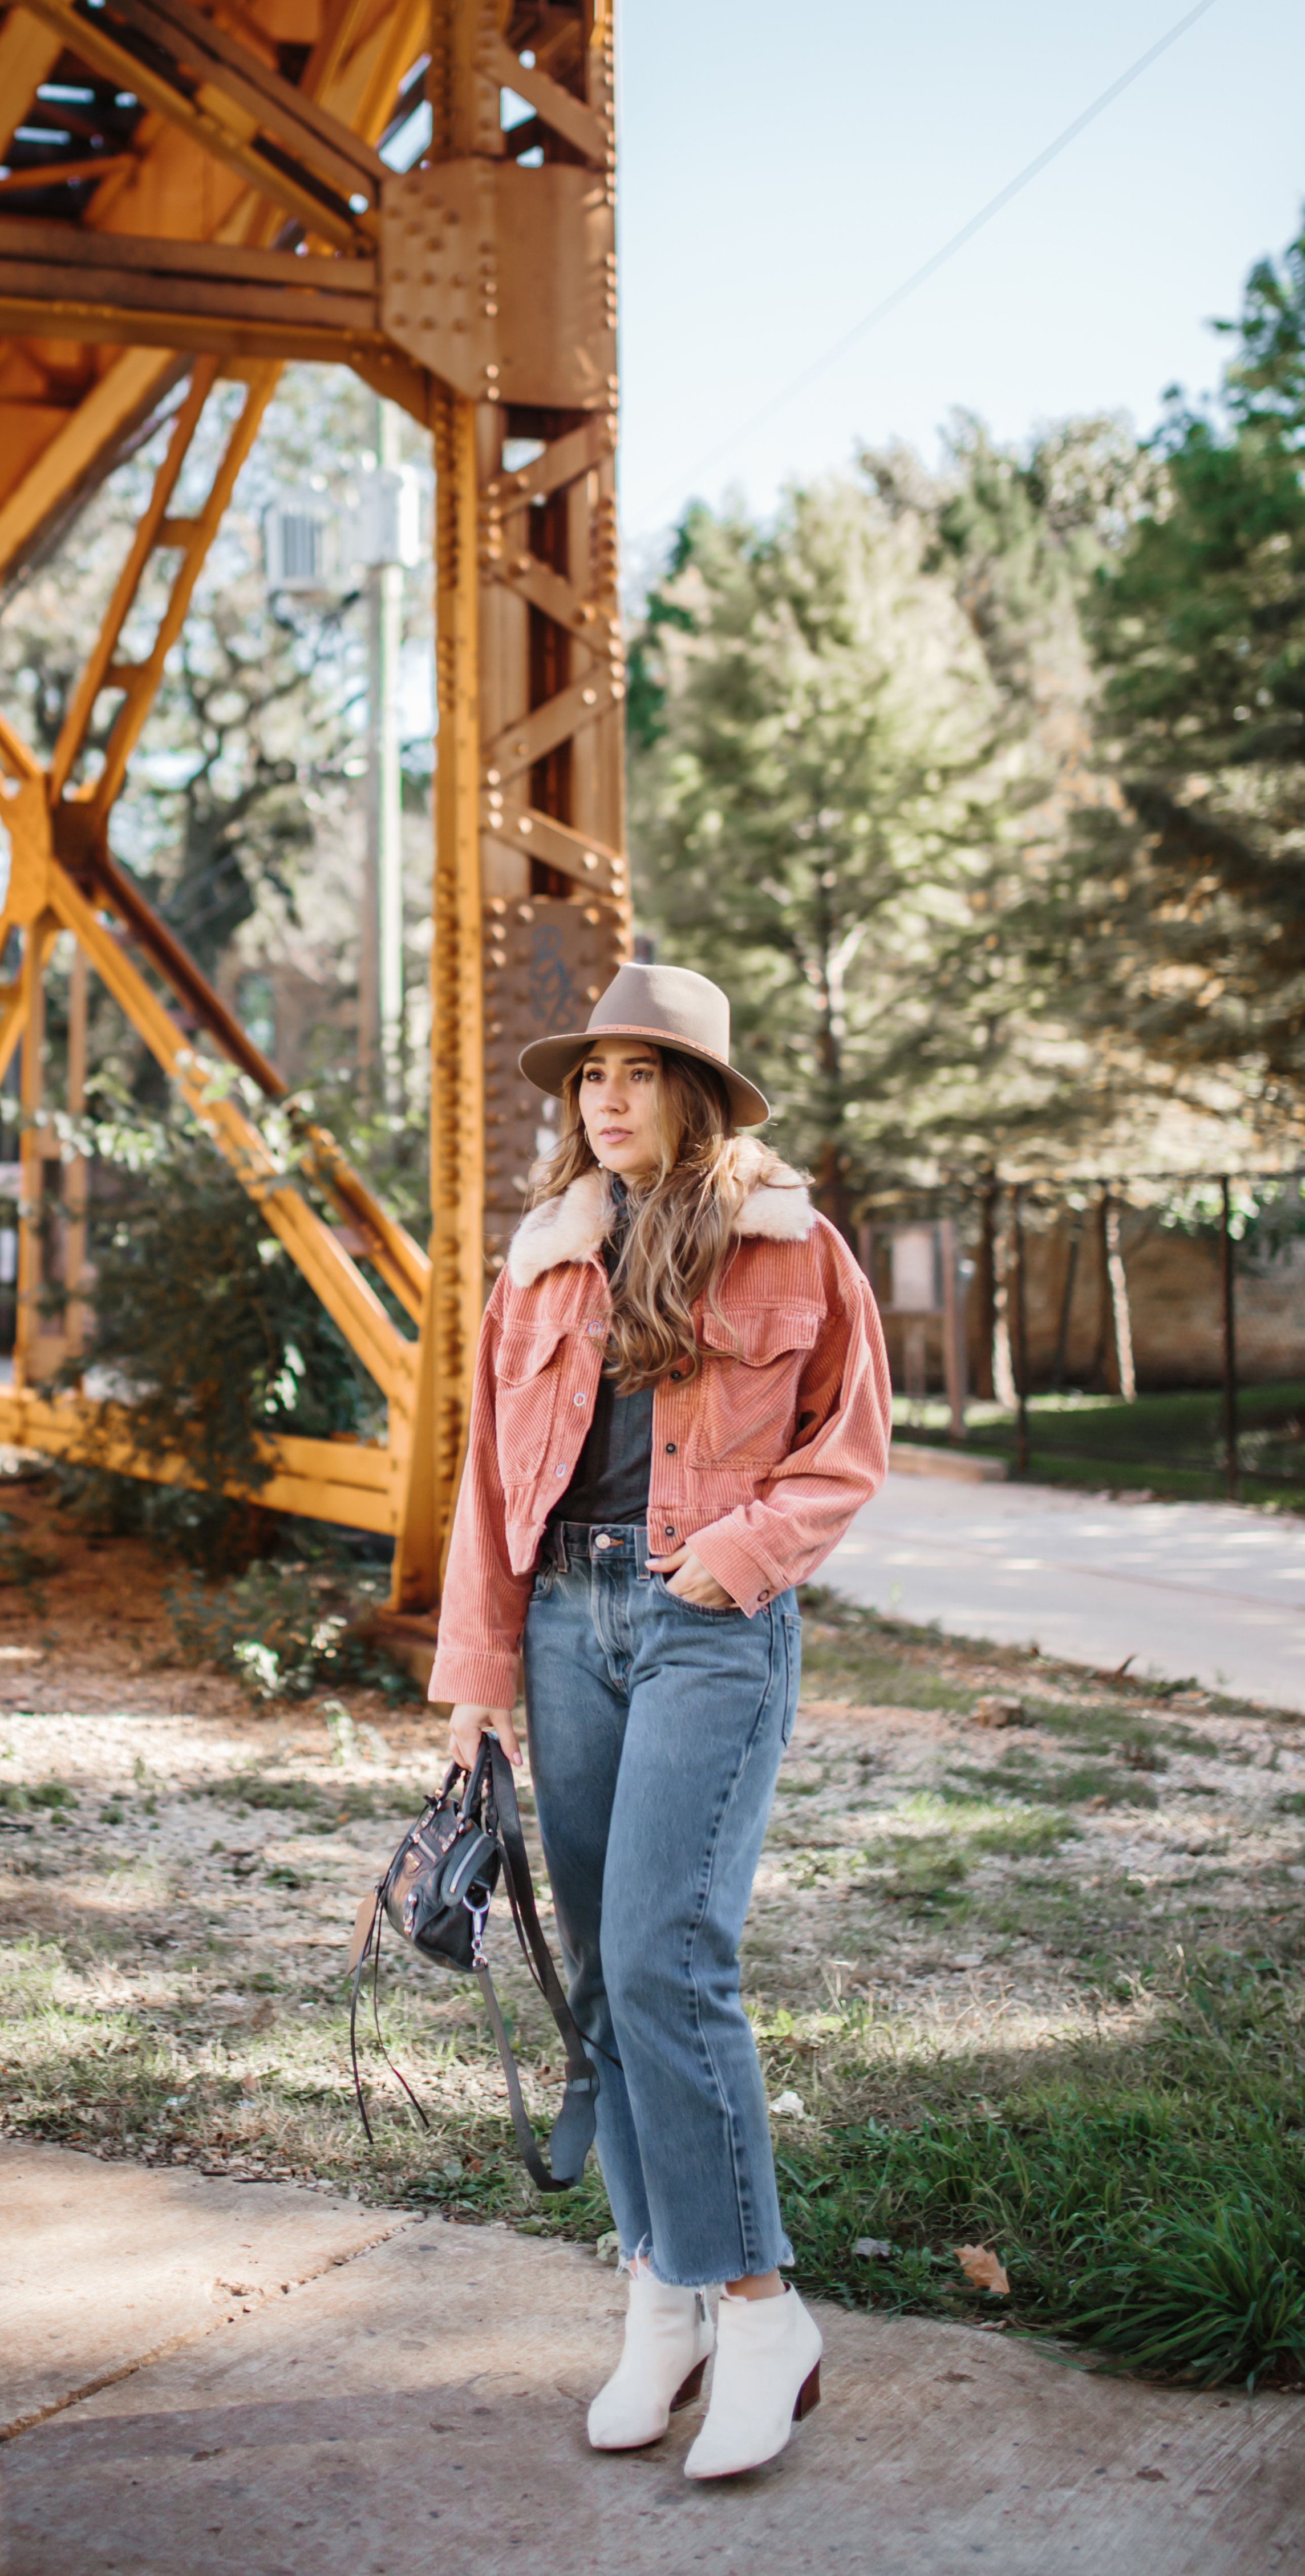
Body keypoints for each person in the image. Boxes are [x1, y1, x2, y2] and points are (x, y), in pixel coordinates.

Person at [429, 962, 890, 2480]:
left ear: (692, 1090)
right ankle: (662, 2292)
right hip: (564, 1620)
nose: (603, 1095)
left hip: (707, 1628)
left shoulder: (790, 1247)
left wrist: (739, 1554)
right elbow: (490, 1491)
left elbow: (846, 1448)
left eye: (636, 1069)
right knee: (604, 1993)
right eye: (587, 1073)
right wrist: (472, 1685)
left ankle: (762, 2311)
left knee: (662, 1956)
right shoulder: (542, 1261)